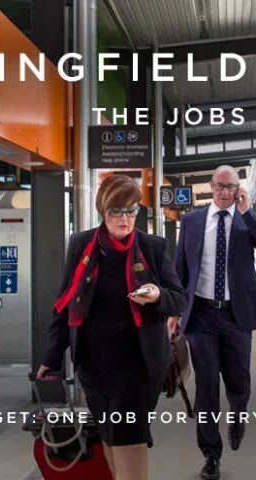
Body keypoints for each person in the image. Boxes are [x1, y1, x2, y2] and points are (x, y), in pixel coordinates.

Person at [36, 175, 187, 480]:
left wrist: (157, 295)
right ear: (102, 211)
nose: (125, 219)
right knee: (108, 436)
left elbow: (179, 299)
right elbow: (64, 303)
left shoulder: (153, 247)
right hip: (94, 368)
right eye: (116, 211)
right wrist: (52, 357)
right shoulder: (81, 245)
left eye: (131, 211)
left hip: (139, 367)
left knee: (128, 440)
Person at [173, 165, 256, 480]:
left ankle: (238, 414)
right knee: (206, 387)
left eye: (230, 187)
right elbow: (180, 268)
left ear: (238, 189)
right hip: (201, 315)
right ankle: (211, 455)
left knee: (239, 382)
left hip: (236, 315)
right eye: (219, 186)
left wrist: (249, 214)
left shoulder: (246, 221)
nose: (224, 192)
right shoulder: (191, 221)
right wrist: (173, 312)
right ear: (211, 186)